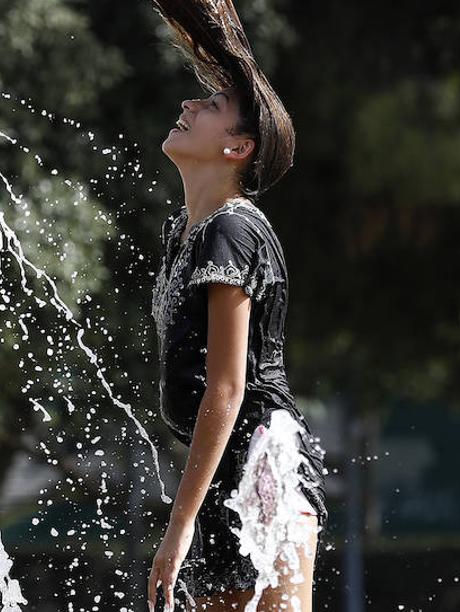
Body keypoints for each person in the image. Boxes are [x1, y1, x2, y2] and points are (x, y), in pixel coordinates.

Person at [147, 84, 328, 612]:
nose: (187, 104)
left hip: (266, 472)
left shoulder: (230, 229)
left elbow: (227, 387)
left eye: (211, 107)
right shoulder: (185, 230)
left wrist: (178, 526)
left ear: (238, 147)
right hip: (226, 481)